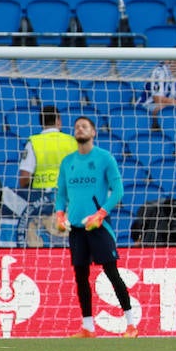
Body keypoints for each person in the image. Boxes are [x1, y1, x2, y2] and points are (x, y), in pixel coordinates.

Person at [55, 117, 139, 338]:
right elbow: (61, 194)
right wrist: (60, 215)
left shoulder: (104, 158)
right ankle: (88, 326)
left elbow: (118, 190)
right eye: (76, 126)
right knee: (80, 275)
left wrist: (100, 214)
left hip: (98, 226)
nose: (79, 128)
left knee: (111, 273)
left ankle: (131, 325)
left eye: (84, 126)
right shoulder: (67, 162)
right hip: (76, 228)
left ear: (93, 132)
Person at [12, 104, 77, 247]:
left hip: (41, 204)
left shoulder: (34, 142)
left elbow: (24, 176)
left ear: (41, 122)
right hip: (69, 200)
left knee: (43, 241)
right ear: (58, 121)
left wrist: (26, 188)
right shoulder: (72, 142)